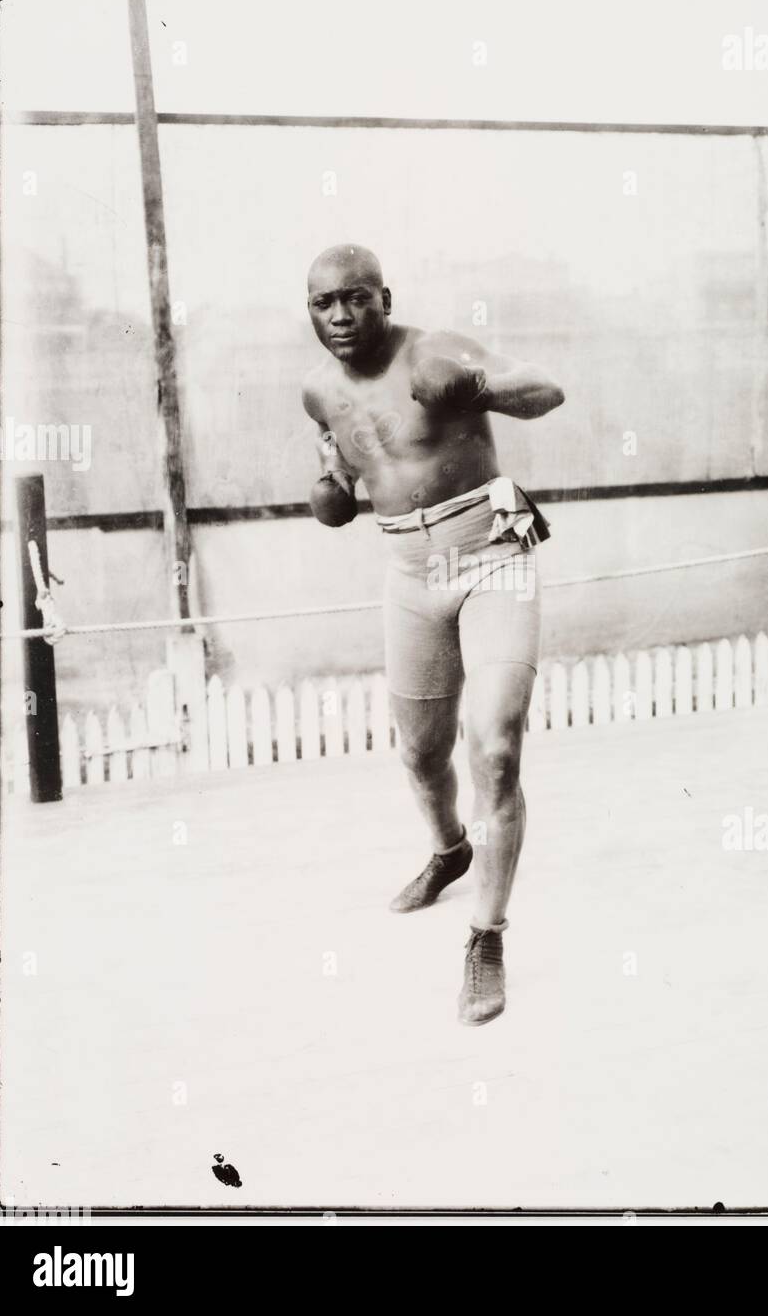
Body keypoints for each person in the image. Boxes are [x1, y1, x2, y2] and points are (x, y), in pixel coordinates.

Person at [303, 244, 564, 1025]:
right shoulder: (316, 391)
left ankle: (485, 937)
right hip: (408, 576)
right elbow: (342, 469)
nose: (342, 316)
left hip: (491, 558)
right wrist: (334, 488)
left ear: (384, 297)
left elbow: (547, 390)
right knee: (421, 755)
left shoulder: (436, 348)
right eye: (324, 304)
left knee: (494, 743)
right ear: (310, 311)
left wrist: (479, 387)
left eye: (356, 298)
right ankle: (450, 849)